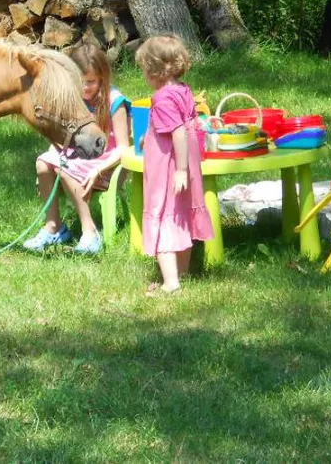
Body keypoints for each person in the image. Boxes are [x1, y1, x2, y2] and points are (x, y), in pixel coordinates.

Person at [23, 43, 131, 255]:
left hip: (107, 166)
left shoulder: (114, 101)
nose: (84, 87)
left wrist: (97, 170)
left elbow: (124, 149)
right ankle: (53, 226)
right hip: (78, 159)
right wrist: (53, 155)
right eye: (79, 82)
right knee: (43, 163)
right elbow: (61, 141)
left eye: (90, 82)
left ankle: (90, 231)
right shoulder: (72, 100)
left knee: (63, 168)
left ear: (102, 77)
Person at [135, 35, 214, 296]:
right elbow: (179, 125)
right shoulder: (183, 90)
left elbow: (178, 131)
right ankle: (182, 273)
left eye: (145, 70)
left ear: (155, 70)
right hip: (184, 164)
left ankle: (171, 282)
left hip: (168, 168)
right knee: (181, 216)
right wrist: (150, 135)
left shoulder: (162, 98)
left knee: (163, 215)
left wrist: (180, 169)